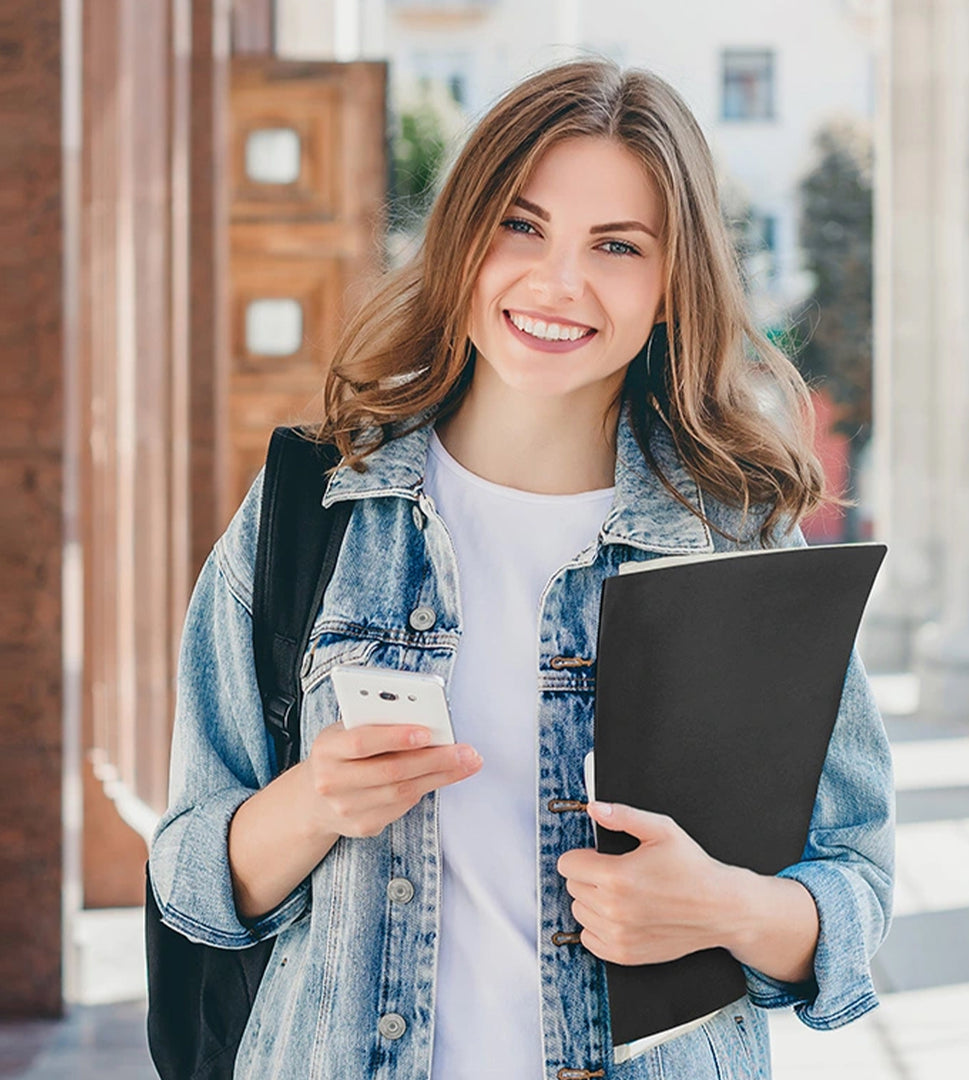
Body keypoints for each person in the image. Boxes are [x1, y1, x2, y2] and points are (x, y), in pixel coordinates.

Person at [149, 58, 894, 1080]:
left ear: (673, 283)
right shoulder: (312, 509)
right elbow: (188, 873)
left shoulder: (736, 540)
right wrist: (313, 804)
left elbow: (856, 884)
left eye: (618, 245)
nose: (559, 281)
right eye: (521, 224)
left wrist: (725, 907)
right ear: (463, 238)